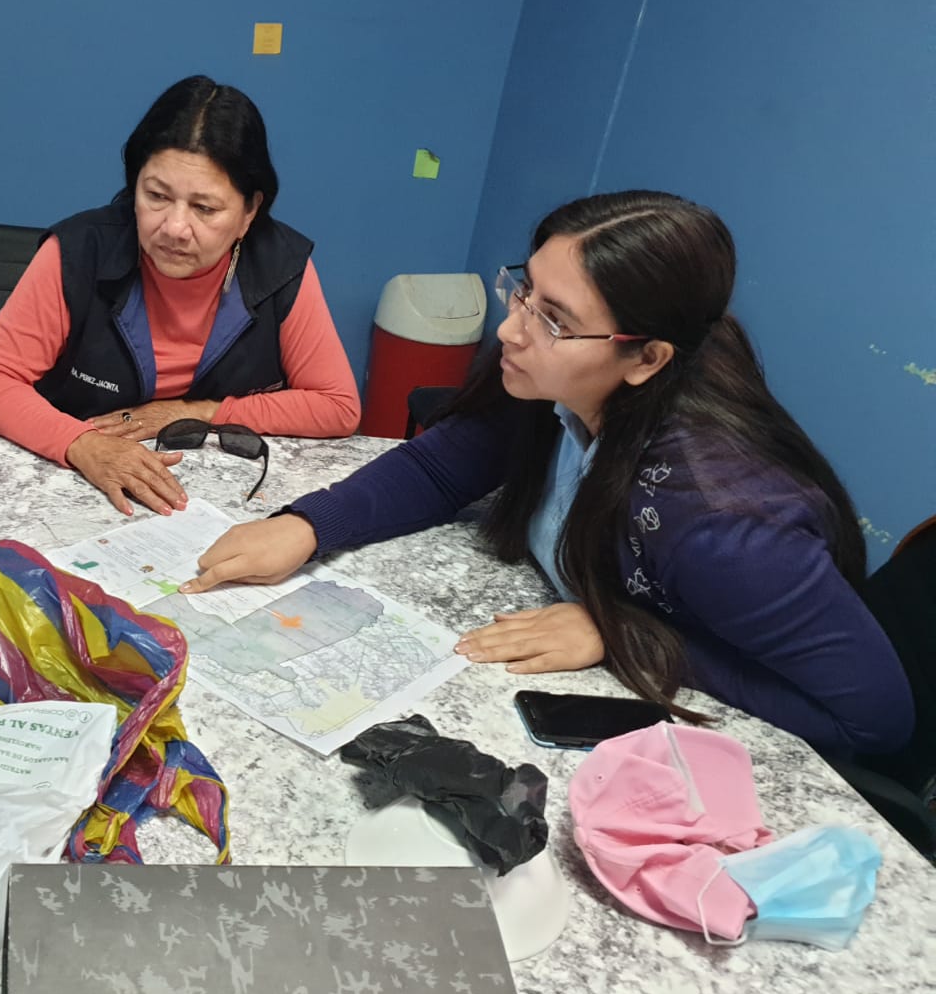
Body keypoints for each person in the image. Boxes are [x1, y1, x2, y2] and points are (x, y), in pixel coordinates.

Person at [179, 191, 913, 758]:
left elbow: (874, 720)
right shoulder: (551, 379)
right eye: (524, 289)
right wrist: (309, 525)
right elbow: (444, 465)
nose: (511, 326)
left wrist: (630, 637)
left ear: (647, 358)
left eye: (554, 318)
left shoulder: (726, 525)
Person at [0, 75, 360, 516]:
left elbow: (336, 406)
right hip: (70, 483)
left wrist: (196, 412)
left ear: (249, 211)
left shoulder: (281, 267)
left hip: (216, 497)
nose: (174, 228)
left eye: (204, 208)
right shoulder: (78, 251)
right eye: (156, 196)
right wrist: (82, 444)